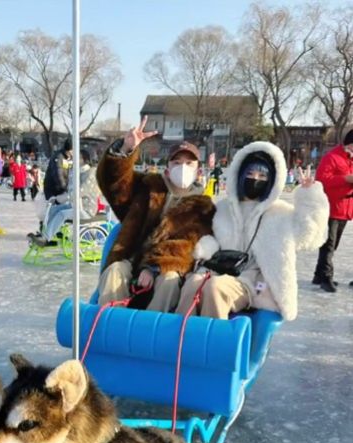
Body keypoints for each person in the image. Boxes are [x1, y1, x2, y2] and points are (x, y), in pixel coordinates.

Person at [176, 141, 329, 320]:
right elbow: (213, 238)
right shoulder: (224, 208)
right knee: (192, 283)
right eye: (250, 173)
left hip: (254, 282)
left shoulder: (280, 213)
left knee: (215, 288)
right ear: (240, 175)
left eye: (262, 175)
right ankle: (181, 337)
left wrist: (310, 198)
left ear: (271, 181)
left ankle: (214, 343)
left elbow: (310, 237)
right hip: (219, 269)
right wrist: (205, 248)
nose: (255, 179)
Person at [96, 117, 216, 312]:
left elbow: (187, 247)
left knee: (168, 280)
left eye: (189, 163)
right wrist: (125, 149)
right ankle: (109, 325)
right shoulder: (146, 189)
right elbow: (115, 185)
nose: (182, 167)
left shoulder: (203, 209)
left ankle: (150, 334)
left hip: (167, 270)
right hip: (132, 262)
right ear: (167, 169)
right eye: (177, 162)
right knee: (115, 270)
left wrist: (153, 267)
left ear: (198, 171)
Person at [311, 126, 353, 292]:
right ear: (349, 144)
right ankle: (326, 277)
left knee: (332, 244)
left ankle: (318, 275)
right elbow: (322, 179)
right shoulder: (332, 157)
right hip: (330, 207)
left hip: (345, 208)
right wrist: (345, 178)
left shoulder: (350, 160)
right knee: (328, 245)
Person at [42, 149, 101, 241]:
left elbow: (80, 191)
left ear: (84, 159)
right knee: (54, 209)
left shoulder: (90, 173)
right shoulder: (77, 172)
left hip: (86, 209)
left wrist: (61, 198)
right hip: (76, 205)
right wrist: (57, 198)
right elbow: (70, 190)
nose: (75, 160)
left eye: (78, 158)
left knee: (62, 214)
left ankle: (46, 238)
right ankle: (46, 234)